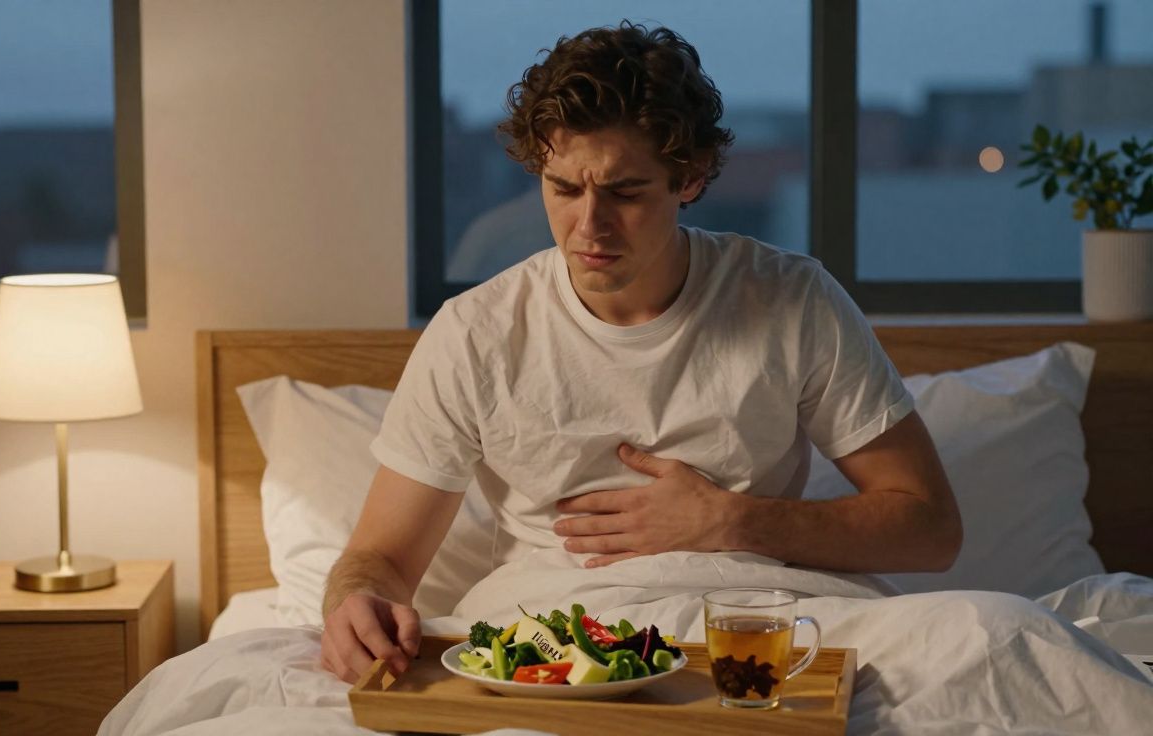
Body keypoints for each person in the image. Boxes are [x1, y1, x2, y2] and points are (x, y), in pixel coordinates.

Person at [320, 21, 961, 684]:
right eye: (564, 189)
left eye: (625, 193)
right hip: (558, 627)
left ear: (690, 176)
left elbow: (931, 529)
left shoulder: (791, 299)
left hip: (761, 620)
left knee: (996, 630)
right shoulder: (476, 333)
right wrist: (353, 604)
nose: (589, 226)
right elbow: (382, 560)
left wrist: (732, 521)